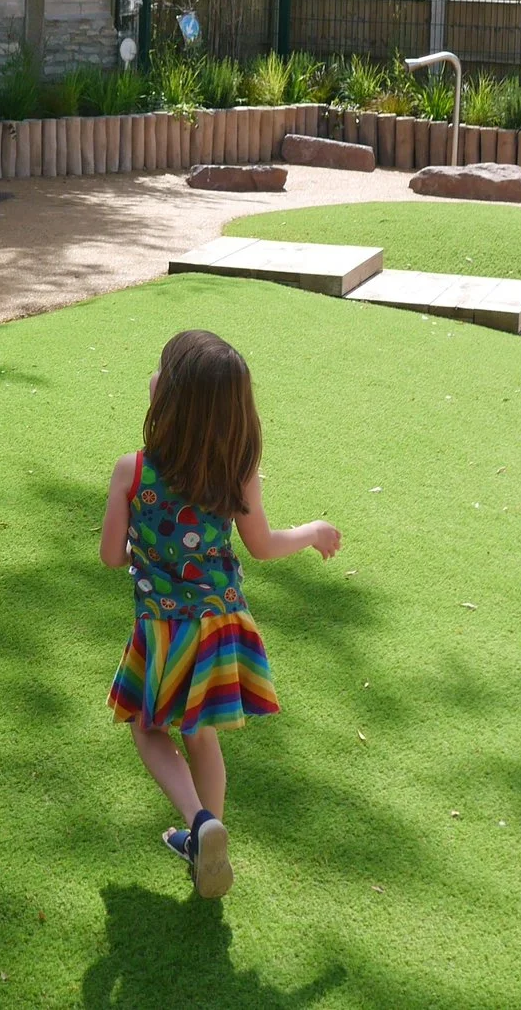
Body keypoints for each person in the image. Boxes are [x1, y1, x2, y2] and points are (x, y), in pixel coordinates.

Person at [101, 329, 340, 899]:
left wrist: (140, 537)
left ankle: (199, 825)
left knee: (147, 728)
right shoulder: (237, 471)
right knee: (201, 737)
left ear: (168, 398)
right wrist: (311, 532)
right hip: (222, 628)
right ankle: (208, 844)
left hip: (164, 630)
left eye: (160, 371)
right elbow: (261, 544)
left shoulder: (132, 471)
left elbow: (111, 556)